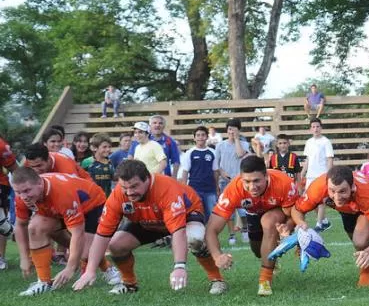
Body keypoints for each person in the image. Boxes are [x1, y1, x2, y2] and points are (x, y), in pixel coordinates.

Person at [72, 159, 224, 294]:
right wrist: (90, 270)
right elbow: (102, 235)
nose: (129, 192)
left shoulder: (166, 188)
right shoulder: (118, 194)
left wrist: (179, 267)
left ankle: (217, 279)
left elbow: (178, 231)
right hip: (147, 220)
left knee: (194, 239)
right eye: (125, 187)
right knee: (115, 245)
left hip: (186, 215)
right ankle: (129, 284)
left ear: (147, 178)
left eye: (134, 186)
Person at [12, 168, 120, 295]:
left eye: (27, 191)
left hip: (92, 204)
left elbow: (77, 233)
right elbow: (20, 225)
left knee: (85, 253)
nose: (23, 196)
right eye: (18, 192)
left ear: (40, 183)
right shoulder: (22, 197)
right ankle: (43, 282)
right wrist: (24, 257)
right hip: (60, 208)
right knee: (35, 227)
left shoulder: (61, 192)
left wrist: (70, 268)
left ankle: (107, 269)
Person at [205, 156, 299, 296]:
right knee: (258, 251)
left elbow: (294, 214)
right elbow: (211, 229)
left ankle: (265, 281)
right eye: (247, 181)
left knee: (269, 222)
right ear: (241, 178)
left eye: (256, 181)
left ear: (266, 176)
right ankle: (270, 255)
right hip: (253, 213)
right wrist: (217, 256)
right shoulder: (233, 190)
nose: (252, 187)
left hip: (277, 212)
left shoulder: (284, 183)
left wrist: (288, 226)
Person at [292, 166, 369, 287]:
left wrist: (368, 252)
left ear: (352, 187)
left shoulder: (367, 195)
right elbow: (297, 210)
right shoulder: (318, 187)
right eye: (332, 191)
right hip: (346, 208)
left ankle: (366, 272)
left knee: (360, 242)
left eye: (342, 191)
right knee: (356, 241)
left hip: (367, 202)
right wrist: (301, 225)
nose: (337, 197)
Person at [215, 118, 250, 244]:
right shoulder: (220, 145)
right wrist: (222, 173)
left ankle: (245, 230)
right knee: (229, 209)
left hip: (239, 180)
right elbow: (216, 164)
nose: (231, 132)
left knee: (243, 208)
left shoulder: (244, 144)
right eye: (229, 129)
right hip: (224, 181)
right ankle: (231, 235)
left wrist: (236, 140)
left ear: (238, 131)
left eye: (234, 129)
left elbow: (240, 154)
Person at [301, 118, 335, 230]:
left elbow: (330, 159)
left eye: (317, 126)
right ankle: (325, 221)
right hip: (310, 176)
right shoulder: (308, 142)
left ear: (321, 128)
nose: (315, 129)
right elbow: (307, 159)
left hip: (321, 175)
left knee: (321, 201)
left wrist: (329, 174)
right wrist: (302, 172)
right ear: (310, 129)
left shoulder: (326, 141)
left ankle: (319, 225)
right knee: (311, 200)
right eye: (313, 127)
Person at [179, 126, 219, 221]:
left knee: (211, 216)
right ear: (194, 138)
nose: (200, 137)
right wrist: (185, 189)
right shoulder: (189, 153)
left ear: (207, 137)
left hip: (210, 189)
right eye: (198, 135)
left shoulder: (212, 152)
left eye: (203, 135)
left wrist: (217, 188)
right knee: (197, 215)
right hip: (195, 189)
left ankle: (209, 235)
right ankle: (199, 235)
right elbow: (185, 172)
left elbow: (215, 171)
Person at [23, 142, 91, 180]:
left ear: (49, 159)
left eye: (39, 166)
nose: (35, 170)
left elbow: (76, 191)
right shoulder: (30, 161)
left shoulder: (66, 166)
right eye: (32, 167)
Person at [0, 134, 17, 271]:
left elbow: (14, 168)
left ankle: (0, 257)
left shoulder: (1, 145)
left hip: (0, 185)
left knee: (3, 227)